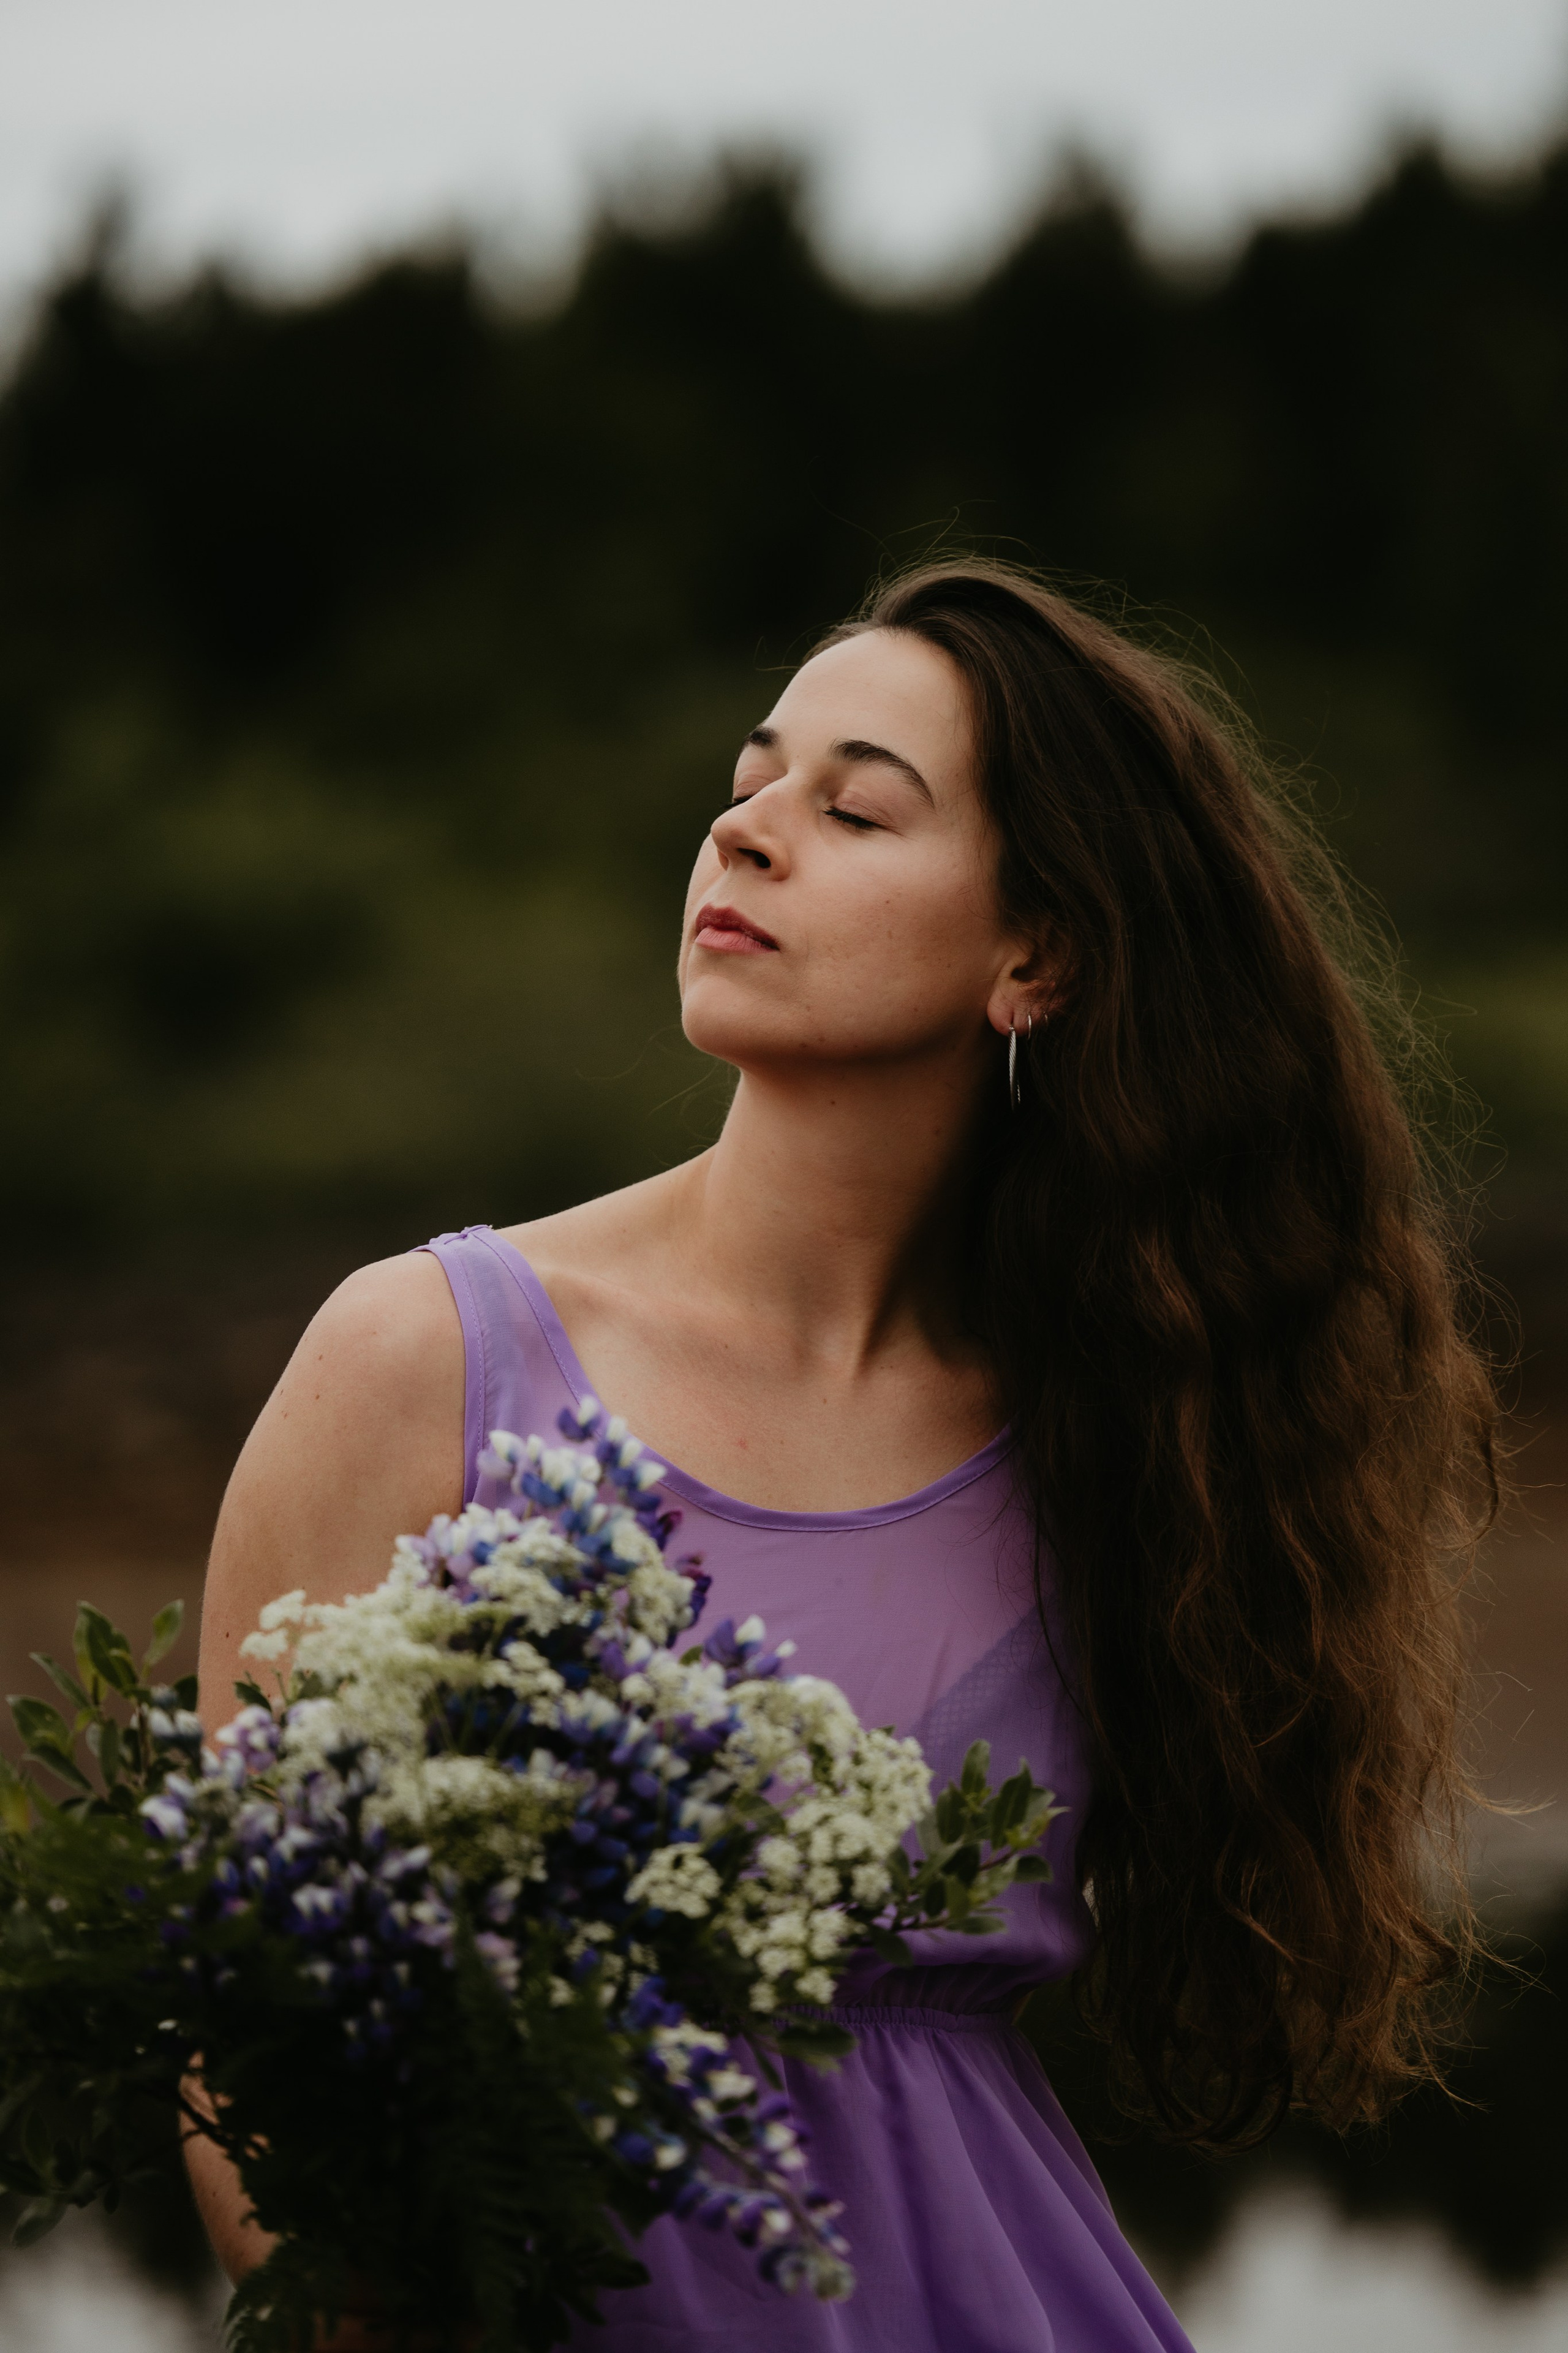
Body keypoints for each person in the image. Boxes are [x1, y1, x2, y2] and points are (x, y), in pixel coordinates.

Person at [189, 559, 1498, 2351]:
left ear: (1035, 953)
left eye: (854, 805)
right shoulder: (421, 1357)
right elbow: (243, 2030)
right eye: (749, 782)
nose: (747, 834)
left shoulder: (1131, 1426)